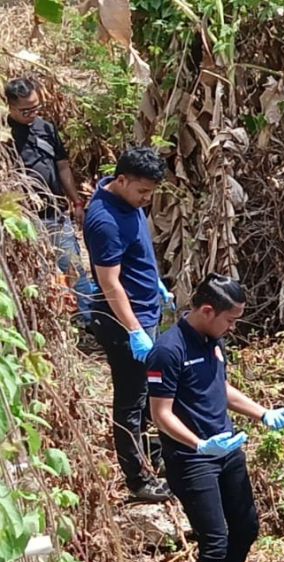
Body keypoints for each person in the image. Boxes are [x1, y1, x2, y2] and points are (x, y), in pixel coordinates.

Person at [146, 274, 284, 562]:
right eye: (230, 320)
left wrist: (262, 412)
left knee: (246, 528)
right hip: (192, 459)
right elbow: (162, 415)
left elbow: (219, 386)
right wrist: (199, 444)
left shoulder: (214, 340)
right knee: (215, 542)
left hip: (226, 449)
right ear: (207, 311)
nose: (233, 328)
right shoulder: (167, 351)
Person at [84, 146, 176, 502]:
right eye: (142, 191)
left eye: (151, 192)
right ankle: (138, 480)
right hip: (125, 323)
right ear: (122, 180)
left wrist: (154, 283)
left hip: (144, 312)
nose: (147, 199)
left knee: (148, 394)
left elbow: (134, 254)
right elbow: (110, 283)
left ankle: (149, 456)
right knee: (131, 400)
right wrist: (135, 330)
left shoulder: (128, 202)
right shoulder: (104, 220)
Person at [5, 77, 95, 323]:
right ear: (10, 106)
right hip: (25, 222)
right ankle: (49, 323)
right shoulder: (5, 137)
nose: (32, 114)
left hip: (55, 214)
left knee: (74, 268)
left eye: (36, 107)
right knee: (38, 275)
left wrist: (76, 201)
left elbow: (63, 166)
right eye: (26, 110)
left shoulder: (45, 128)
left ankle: (89, 321)